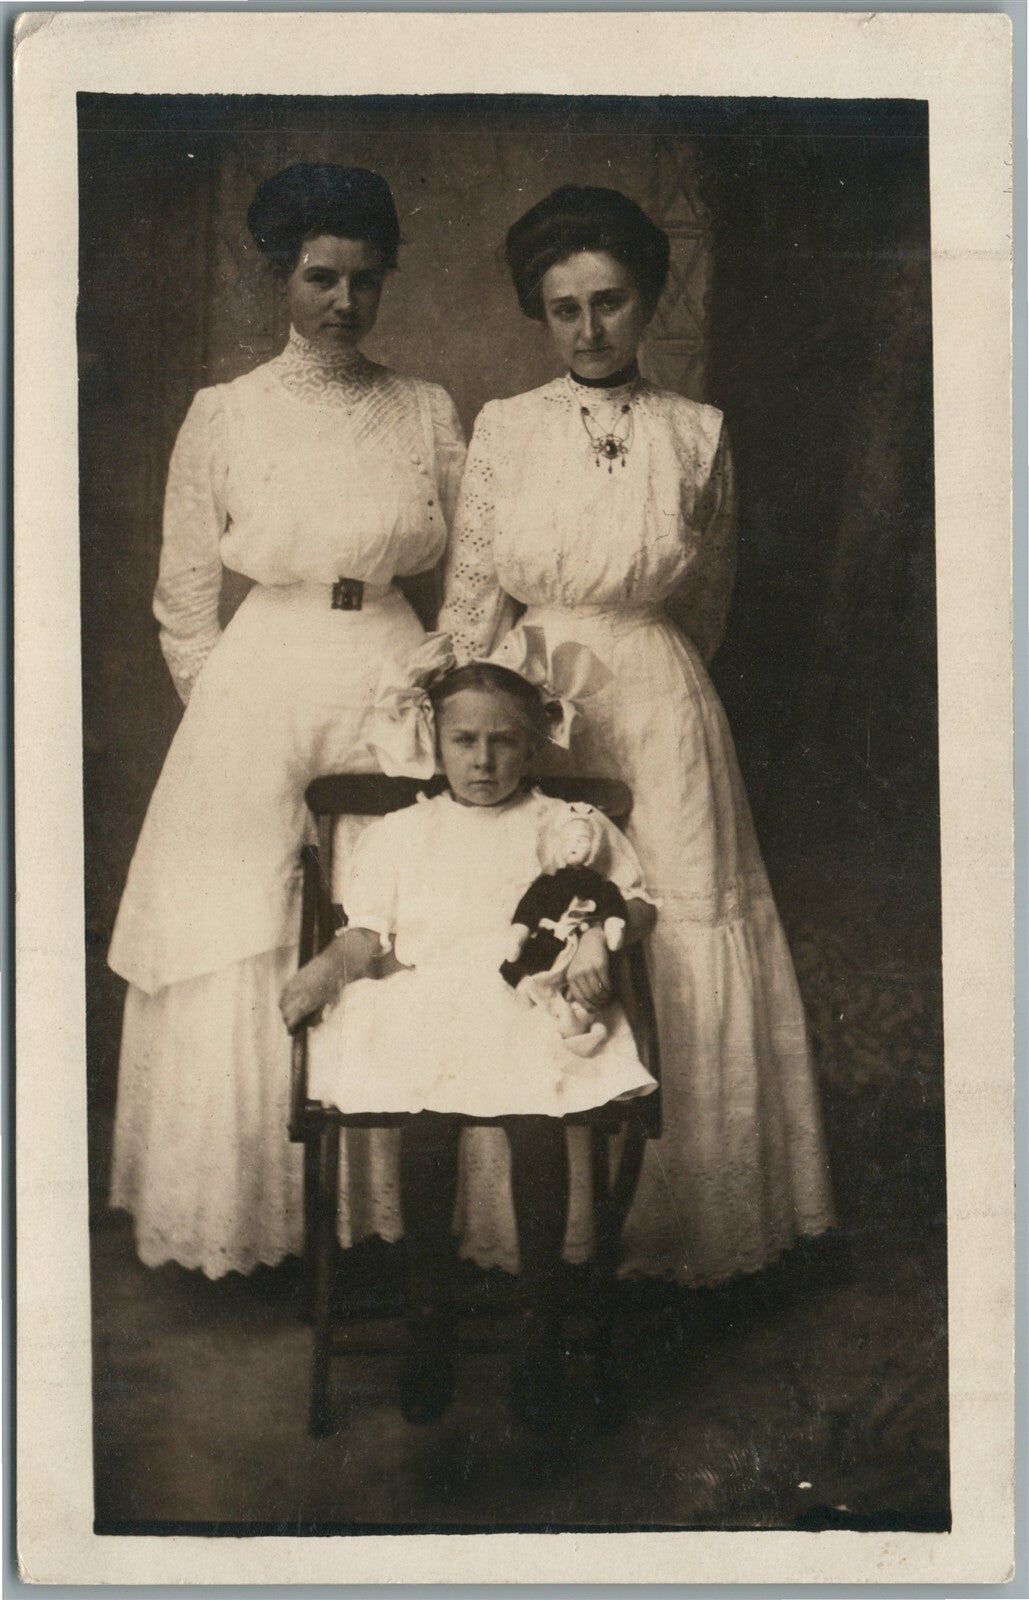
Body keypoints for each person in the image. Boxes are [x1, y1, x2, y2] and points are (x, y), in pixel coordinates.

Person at [439, 185, 835, 1286]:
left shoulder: (698, 433)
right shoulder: (504, 427)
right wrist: (489, 708)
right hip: (532, 704)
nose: (588, 329)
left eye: (609, 302)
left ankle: (677, 1227)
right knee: (539, 927)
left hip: (661, 704)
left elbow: (706, 601)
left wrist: (649, 670)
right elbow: (470, 603)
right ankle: (542, 1228)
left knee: (668, 928)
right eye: (564, 308)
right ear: (541, 312)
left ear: (648, 300)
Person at [108, 164, 466, 1279]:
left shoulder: (427, 409)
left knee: (393, 905)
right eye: (320, 278)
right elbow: (183, 600)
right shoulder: (225, 412)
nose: (344, 302)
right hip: (261, 671)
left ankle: (383, 1220)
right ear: (282, 277)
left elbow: (476, 566)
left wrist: (440, 671)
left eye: (365, 280)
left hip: (390, 663)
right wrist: (225, 712)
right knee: (245, 920)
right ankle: (252, 1210)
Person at [279, 645, 657, 1423]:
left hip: (529, 1000)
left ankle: (539, 1322)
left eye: (504, 741)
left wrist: (598, 937)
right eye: (464, 740)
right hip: (431, 1000)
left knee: (537, 1115)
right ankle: (429, 1316)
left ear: (534, 744)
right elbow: (366, 935)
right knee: (427, 1117)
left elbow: (634, 899)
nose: (483, 760)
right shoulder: (401, 833)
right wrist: (322, 969)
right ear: (434, 738)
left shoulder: (563, 825)